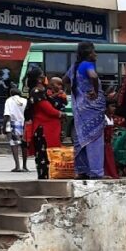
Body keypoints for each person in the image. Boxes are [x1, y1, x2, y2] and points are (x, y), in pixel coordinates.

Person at [69, 41, 105, 179]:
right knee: (95, 140)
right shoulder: (87, 65)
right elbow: (93, 76)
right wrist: (95, 91)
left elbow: (65, 79)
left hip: (80, 109)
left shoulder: (74, 67)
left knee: (81, 139)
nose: (96, 54)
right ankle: (96, 172)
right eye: (93, 51)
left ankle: (82, 170)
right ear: (88, 53)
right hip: (92, 110)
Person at [25, 70, 63, 181]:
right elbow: (48, 109)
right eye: (43, 76)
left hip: (47, 128)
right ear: (39, 79)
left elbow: (53, 103)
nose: (45, 78)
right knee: (44, 156)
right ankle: (44, 180)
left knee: (48, 155)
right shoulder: (36, 91)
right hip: (43, 128)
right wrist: (60, 114)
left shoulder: (43, 91)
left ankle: (47, 178)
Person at [3, 87, 28, 172]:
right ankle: (25, 166)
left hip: (13, 123)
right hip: (24, 123)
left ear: (11, 93)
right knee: (24, 145)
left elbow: (7, 115)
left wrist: (4, 127)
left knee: (14, 145)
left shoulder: (9, 100)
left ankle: (17, 166)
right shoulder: (25, 101)